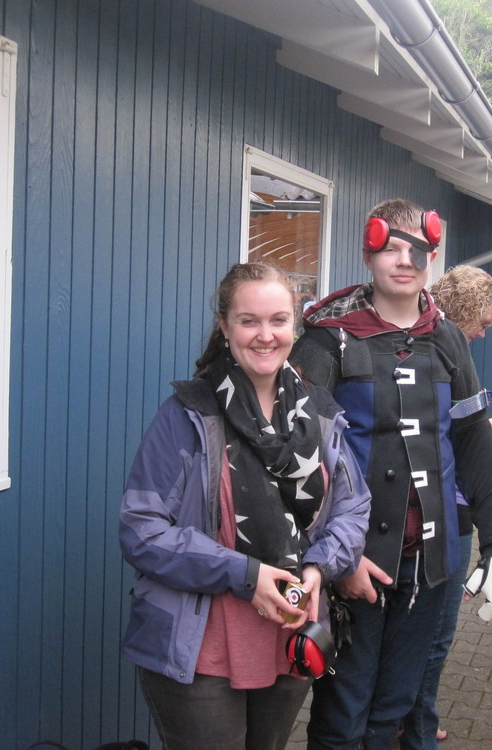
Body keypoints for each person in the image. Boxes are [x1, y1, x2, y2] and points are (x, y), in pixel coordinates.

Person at [291, 200, 492, 749]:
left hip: (429, 565)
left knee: (396, 705)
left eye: (417, 250)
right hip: (354, 564)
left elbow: (472, 442)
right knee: (343, 712)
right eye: (390, 247)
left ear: (432, 257)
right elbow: (298, 462)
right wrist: (336, 557)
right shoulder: (327, 340)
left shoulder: (448, 339)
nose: (404, 260)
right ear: (367, 253)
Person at [119, 262, 371, 750]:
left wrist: (320, 567)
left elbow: (353, 508)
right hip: (202, 644)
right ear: (224, 326)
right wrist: (245, 574)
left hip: (290, 631)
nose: (265, 335)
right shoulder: (188, 415)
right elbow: (141, 530)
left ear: (295, 325)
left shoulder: (320, 413)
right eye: (248, 320)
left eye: (278, 320)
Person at [400, 264, 492, 747]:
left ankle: (411, 716)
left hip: (442, 510)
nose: (483, 333)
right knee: (435, 635)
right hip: (445, 512)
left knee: (426, 633)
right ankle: (415, 725)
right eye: (483, 322)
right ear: (463, 312)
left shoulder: (436, 354)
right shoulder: (438, 358)